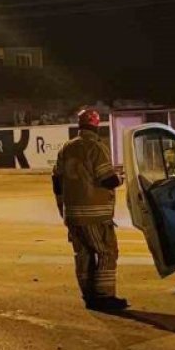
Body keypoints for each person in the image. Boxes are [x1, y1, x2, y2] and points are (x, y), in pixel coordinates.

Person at [53, 109, 127, 312]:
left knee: (83, 254)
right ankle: (104, 297)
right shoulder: (95, 147)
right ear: (96, 125)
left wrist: (63, 206)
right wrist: (121, 178)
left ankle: (89, 296)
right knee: (106, 252)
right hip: (95, 214)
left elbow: (56, 180)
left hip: (73, 214)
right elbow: (107, 179)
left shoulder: (66, 148)